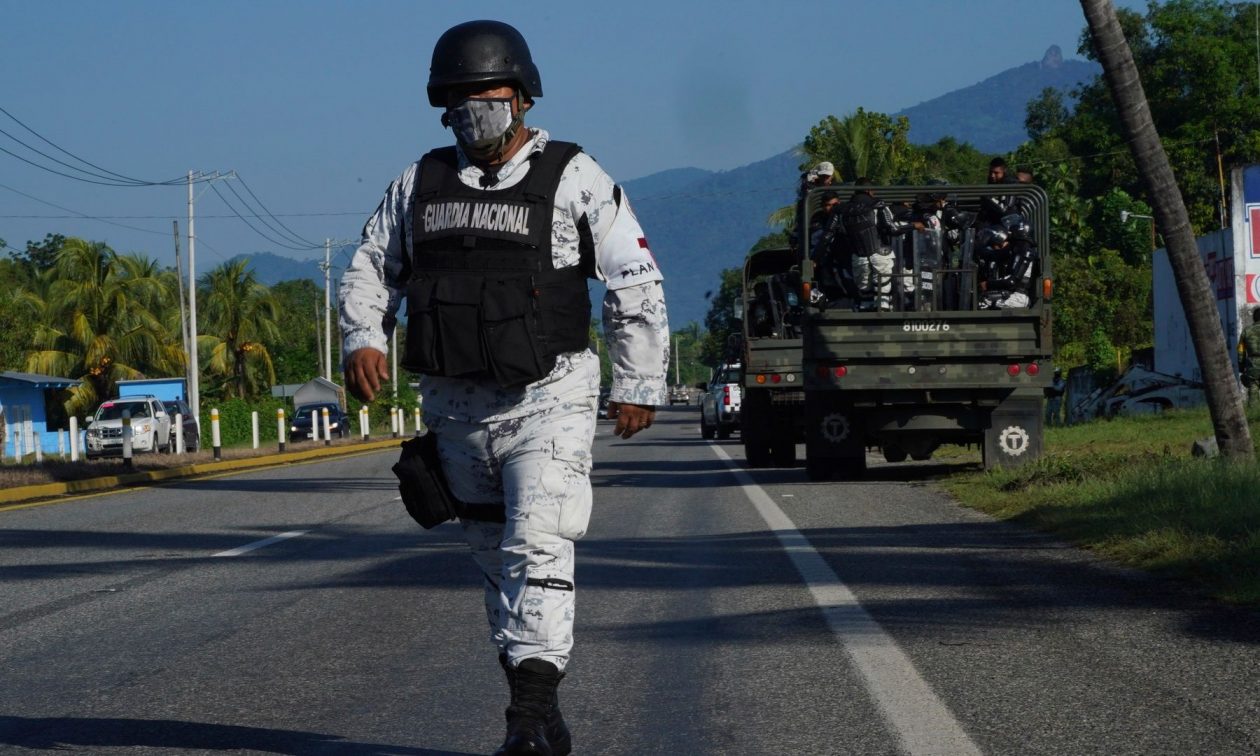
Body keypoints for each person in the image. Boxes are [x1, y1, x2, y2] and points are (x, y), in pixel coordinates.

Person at [338, 20, 668, 756]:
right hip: (455, 410)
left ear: (518, 96)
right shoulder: (418, 182)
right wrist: (363, 336)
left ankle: (524, 723)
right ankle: (542, 712)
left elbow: (634, 280)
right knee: (496, 569)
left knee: (538, 547)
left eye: (482, 94)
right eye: (455, 98)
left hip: (548, 398)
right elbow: (369, 264)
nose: (469, 109)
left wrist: (639, 381)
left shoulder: (574, 176)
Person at [1241, 307, 1260, 404]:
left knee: (1253, 388)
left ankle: (1254, 415)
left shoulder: (1246, 331)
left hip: (1253, 364)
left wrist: (1241, 367)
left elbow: (1241, 351)